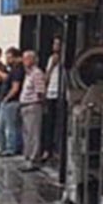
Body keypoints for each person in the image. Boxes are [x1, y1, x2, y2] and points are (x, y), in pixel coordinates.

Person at [18, 49, 46, 170]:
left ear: (33, 60)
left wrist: (40, 103)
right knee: (27, 133)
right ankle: (28, 157)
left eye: (26, 58)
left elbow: (40, 91)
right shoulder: (28, 73)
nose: (24, 61)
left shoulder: (37, 73)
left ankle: (34, 160)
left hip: (33, 105)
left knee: (33, 134)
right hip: (25, 105)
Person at [40, 36, 65, 164]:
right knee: (49, 123)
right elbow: (46, 76)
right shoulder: (51, 59)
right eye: (54, 44)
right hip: (51, 93)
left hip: (61, 94)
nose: (55, 46)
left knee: (60, 123)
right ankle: (47, 149)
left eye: (57, 44)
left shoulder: (66, 59)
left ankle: (58, 150)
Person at [0, 48, 23, 156]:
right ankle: (2, 147)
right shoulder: (12, 70)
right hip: (6, 101)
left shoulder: (17, 70)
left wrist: (7, 98)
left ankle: (11, 148)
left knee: (10, 126)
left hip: (11, 102)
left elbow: (15, 87)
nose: (7, 60)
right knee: (1, 126)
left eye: (10, 57)